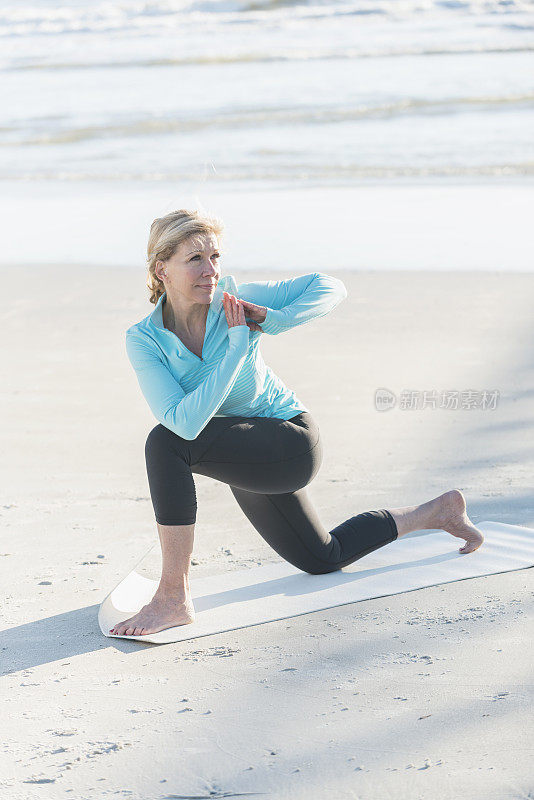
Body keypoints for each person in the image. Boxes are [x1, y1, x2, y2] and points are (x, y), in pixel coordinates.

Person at [110, 209, 484, 637]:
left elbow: (329, 286)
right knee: (322, 557)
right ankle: (437, 512)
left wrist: (270, 320)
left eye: (215, 256)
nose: (210, 270)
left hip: (290, 440)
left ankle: (173, 596)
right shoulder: (144, 338)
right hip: (242, 452)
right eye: (195, 259)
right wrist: (237, 345)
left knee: (163, 445)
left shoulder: (236, 301)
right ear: (162, 268)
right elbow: (185, 421)